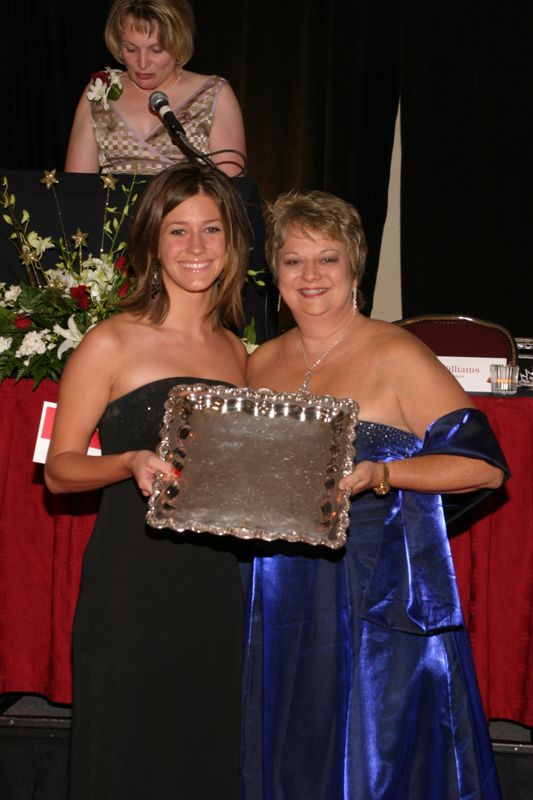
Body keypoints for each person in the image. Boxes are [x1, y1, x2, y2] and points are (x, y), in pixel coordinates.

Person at [241, 190, 508, 799]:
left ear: (355, 270)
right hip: (277, 582)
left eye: (327, 259)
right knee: (291, 742)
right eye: (292, 260)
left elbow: (484, 468)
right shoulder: (260, 362)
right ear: (274, 273)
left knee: (374, 756)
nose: (310, 276)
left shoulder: (396, 352)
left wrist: (382, 475)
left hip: (372, 584)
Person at [45, 162, 250, 799]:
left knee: (206, 748)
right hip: (135, 580)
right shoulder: (112, 341)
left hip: (221, 582)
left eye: (211, 230)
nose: (196, 248)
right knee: (129, 751)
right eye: (178, 231)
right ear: (152, 243)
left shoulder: (239, 351)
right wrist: (127, 463)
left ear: (232, 243)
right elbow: (59, 470)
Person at [65, 0, 246, 176]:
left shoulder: (213, 95)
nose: (142, 63)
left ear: (179, 43)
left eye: (157, 49)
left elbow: (231, 193)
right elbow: (76, 191)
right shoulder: (100, 91)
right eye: (131, 49)